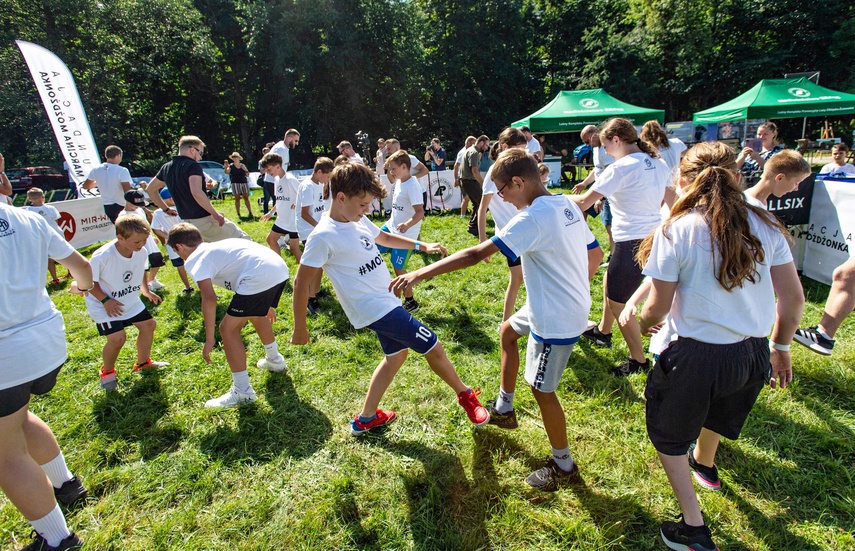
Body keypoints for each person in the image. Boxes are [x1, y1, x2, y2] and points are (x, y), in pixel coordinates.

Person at [391, 148, 602, 490]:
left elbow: (475, 254)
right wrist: (573, 285)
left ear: (519, 182)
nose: (500, 197)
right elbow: (596, 253)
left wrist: (419, 274)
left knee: (541, 389)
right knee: (507, 332)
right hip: (549, 304)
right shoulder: (566, 204)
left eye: (502, 190)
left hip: (555, 318)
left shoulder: (531, 218)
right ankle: (504, 408)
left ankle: (564, 466)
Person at [635, 141, 803, 551]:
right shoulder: (766, 223)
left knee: (669, 438)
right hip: (752, 353)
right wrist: (780, 346)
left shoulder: (676, 230)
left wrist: (643, 325)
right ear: (737, 175)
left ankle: (693, 529)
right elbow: (794, 299)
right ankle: (705, 464)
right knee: (719, 408)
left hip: (696, 355)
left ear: (683, 179)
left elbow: (655, 307)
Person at [290, 162, 489, 435]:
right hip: (374, 308)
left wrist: (421, 245)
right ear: (340, 198)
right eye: (363, 205)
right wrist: (300, 327)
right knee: (433, 345)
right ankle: (465, 395)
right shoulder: (323, 236)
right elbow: (301, 282)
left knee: (395, 357)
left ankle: (366, 418)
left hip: (386, 301)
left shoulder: (356, 218)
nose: (367, 210)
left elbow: (383, 236)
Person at [1, 202, 93, 551]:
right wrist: (84, 289)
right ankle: (66, 484)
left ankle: (57, 540)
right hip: (46, 340)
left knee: (6, 454)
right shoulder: (27, 217)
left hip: (6, 352)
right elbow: (81, 267)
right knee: (16, 417)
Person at [572, 118, 670, 376]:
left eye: (605, 145)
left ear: (616, 140)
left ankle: (638, 360)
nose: (604, 151)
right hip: (653, 237)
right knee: (609, 281)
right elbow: (670, 200)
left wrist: (547, 198)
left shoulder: (621, 167)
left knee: (619, 302)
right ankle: (603, 332)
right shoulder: (658, 163)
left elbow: (583, 202)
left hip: (631, 243)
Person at [168, 223, 289, 409]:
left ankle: (242, 392)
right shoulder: (217, 246)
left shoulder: (194, 259)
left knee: (227, 329)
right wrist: (265, 301)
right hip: (279, 268)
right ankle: (275, 360)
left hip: (259, 275)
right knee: (257, 314)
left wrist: (210, 338)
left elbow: (209, 298)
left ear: (179, 247)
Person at [81, 215, 168, 391]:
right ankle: (107, 372)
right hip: (103, 303)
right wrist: (105, 300)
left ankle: (143, 363)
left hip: (128, 299)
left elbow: (140, 270)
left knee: (148, 325)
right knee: (117, 338)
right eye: (137, 241)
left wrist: (145, 290)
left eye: (145, 240)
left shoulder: (141, 252)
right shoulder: (102, 256)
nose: (142, 245)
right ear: (120, 238)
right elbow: (89, 282)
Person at [146, 136, 249, 242]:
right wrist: (215, 215)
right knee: (244, 240)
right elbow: (196, 192)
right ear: (191, 149)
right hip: (204, 219)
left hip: (187, 223)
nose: (200, 158)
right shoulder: (192, 166)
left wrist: (165, 209)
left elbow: (150, 189)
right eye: (200, 153)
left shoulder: (166, 167)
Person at [476, 127, 526, 323]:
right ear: (505, 147)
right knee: (518, 280)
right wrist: (483, 246)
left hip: (527, 230)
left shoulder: (516, 169)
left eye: (525, 150)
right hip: (511, 236)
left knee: (527, 279)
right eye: (519, 150)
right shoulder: (494, 172)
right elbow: (482, 209)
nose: (523, 154)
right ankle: (506, 323)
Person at [378, 150, 426, 313]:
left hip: (406, 235)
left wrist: (407, 224)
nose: (391, 172)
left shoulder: (412, 186)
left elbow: (420, 212)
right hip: (391, 227)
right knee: (370, 246)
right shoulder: (400, 180)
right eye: (390, 169)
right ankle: (379, 288)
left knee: (398, 267)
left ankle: (411, 302)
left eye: (393, 169)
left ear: (404, 167)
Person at [295, 157, 334, 315]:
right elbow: (305, 214)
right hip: (308, 231)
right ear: (319, 172)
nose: (328, 179)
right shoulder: (307, 187)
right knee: (314, 265)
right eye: (327, 175)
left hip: (317, 229)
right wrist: (319, 227)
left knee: (321, 263)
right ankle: (310, 299)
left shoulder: (319, 184)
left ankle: (316, 290)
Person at [150, 188, 194, 294]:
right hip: (187, 239)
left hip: (172, 244)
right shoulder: (181, 208)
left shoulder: (158, 213)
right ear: (170, 198)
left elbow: (155, 228)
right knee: (193, 262)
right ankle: (201, 285)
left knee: (180, 265)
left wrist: (168, 237)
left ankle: (188, 287)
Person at [260, 152, 303, 262]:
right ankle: (280, 268)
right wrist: (271, 213)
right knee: (271, 240)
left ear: (278, 166)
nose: (268, 173)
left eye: (269, 170)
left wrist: (298, 203)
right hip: (282, 219)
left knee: (294, 248)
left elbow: (304, 194)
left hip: (292, 220)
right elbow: (279, 200)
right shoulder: (277, 179)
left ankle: (308, 272)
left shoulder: (290, 179)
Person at [120, 190, 167, 292]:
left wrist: (152, 237)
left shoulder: (140, 211)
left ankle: (151, 280)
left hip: (148, 240)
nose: (137, 207)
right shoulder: (123, 215)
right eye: (135, 204)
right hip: (137, 243)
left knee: (157, 260)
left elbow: (146, 224)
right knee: (143, 265)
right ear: (127, 201)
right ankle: (144, 285)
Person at [744, 150, 812, 208]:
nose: (796, 188)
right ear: (780, 178)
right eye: (796, 183)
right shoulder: (746, 206)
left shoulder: (761, 202)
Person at [83, 145, 133, 224]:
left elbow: (86, 186)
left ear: (106, 156)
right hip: (122, 204)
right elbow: (127, 191)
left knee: (119, 229)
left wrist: (99, 182)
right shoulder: (122, 170)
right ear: (118, 155)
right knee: (130, 229)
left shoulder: (96, 170)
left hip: (107, 206)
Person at [25, 187, 65, 284]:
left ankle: (55, 278)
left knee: (49, 258)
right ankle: (71, 272)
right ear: (43, 196)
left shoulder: (28, 211)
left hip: (42, 236)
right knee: (65, 253)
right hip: (56, 233)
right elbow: (56, 221)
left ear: (29, 199)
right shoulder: (50, 208)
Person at [385, 138, 430, 212]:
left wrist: (409, 179)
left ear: (396, 149)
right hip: (403, 193)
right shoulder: (391, 163)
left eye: (389, 149)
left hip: (418, 192)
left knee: (417, 217)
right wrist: (388, 168)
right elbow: (392, 180)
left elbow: (425, 170)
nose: (387, 152)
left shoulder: (410, 158)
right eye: (386, 149)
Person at [459, 135, 490, 237]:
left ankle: (473, 227)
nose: (487, 148)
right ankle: (474, 227)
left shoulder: (471, 150)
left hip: (467, 181)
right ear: (481, 143)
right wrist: (484, 183)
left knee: (477, 204)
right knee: (483, 203)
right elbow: (475, 171)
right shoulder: (474, 152)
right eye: (486, 145)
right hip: (470, 181)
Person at [224, 152, 253, 219]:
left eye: (236, 157)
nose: (235, 158)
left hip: (243, 182)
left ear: (239, 158)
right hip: (235, 183)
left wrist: (245, 169)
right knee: (237, 199)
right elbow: (227, 172)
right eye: (233, 157)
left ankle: (250, 211)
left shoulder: (242, 165)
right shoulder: (231, 166)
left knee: (246, 198)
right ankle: (238, 213)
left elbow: (247, 174)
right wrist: (226, 167)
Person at [454, 136, 477, 217]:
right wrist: (456, 179)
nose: (475, 146)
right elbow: (456, 166)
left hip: (469, 177)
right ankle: (462, 216)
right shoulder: (462, 152)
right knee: (466, 197)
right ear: (468, 143)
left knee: (472, 197)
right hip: (462, 178)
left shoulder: (471, 152)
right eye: (474, 143)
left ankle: (473, 214)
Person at [258, 146, 273, 214]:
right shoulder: (261, 162)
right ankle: (266, 212)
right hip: (266, 181)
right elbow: (262, 171)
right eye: (266, 152)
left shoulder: (273, 161)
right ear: (263, 153)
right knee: (266, 197)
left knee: (275, 197)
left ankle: (274, 212)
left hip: (273, 180)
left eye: (269, 151)